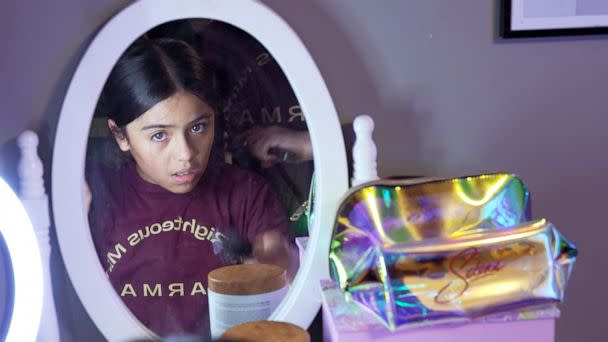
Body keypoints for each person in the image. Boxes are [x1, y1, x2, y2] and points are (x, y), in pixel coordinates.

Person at [85, 36, 296, 338]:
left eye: (198, 127)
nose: (185, 154)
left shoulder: (247, 195)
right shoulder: (95, 196)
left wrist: (279, 268)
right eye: (160, 135)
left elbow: (283, 289)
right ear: (120, 136)